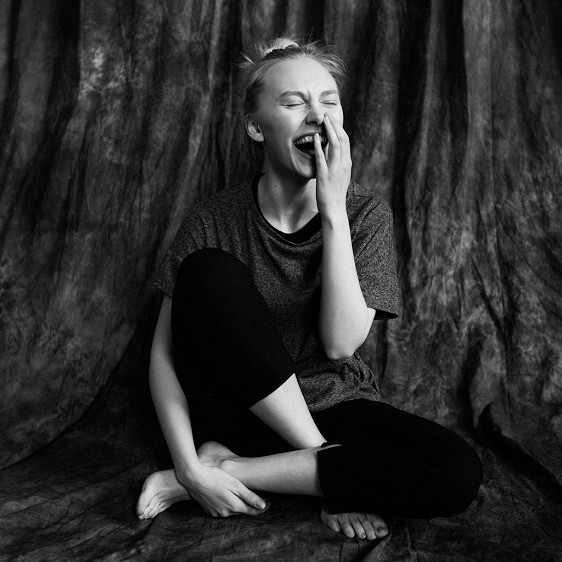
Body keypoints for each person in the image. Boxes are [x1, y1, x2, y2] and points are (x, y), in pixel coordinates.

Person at [136, 37, 483, 541]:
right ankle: (314, 469)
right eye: (294, 102)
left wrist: (333, 210)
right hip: (240, 415)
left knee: (455, 471)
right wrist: (188, 464)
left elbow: (340, 345)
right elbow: (164, 356)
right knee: (207, 269)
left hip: (334, 404)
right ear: (256, 127)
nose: (317, 116)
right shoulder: (214, 218)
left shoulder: (364, 214)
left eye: (328, 101)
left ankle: (233, 469)